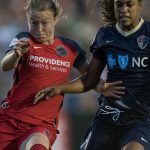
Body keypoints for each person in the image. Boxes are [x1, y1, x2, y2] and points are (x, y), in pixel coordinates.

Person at [0, 0, 124, 149]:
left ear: (55, 18)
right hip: (10, 118)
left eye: (44, 23)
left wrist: (102, 87)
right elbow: (6, 65)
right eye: (34, 23)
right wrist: (16, 54)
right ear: (28, 19)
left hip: (41, 124)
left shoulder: (70, 47)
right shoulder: (24, 39)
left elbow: (89, 78)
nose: (39, 29)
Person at [34, 0, 150, 150]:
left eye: (129, 5)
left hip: (140, 119)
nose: (124, 9)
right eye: (119, 5)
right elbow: (90, 80)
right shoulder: (105, 35)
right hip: (108, 116)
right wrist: (59, 88)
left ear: (140, 5)